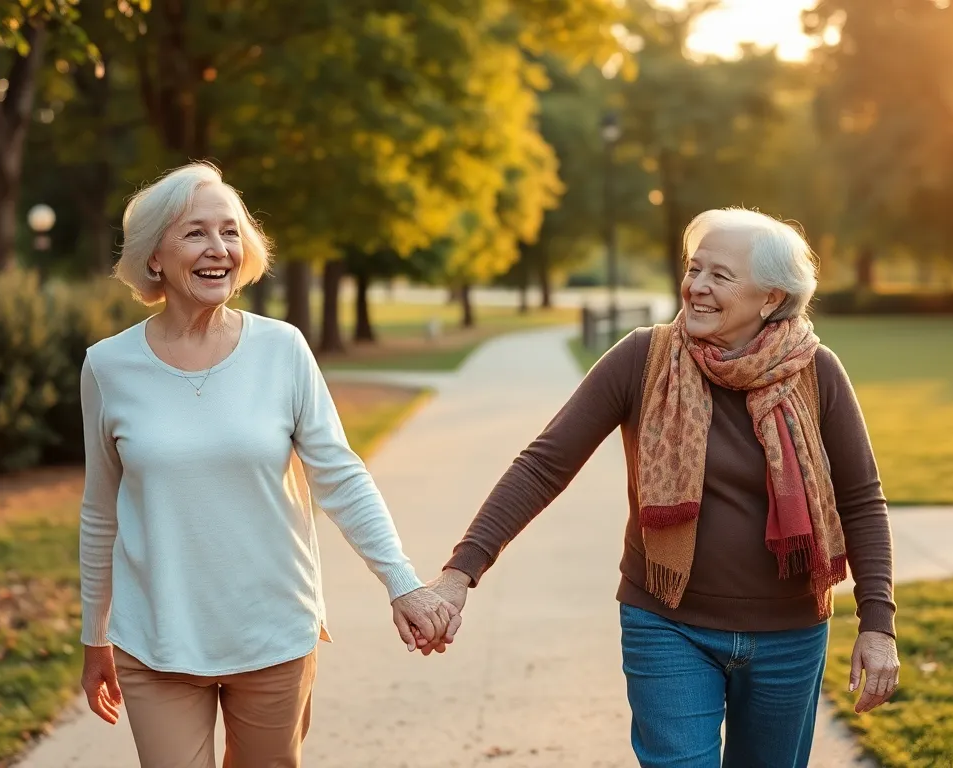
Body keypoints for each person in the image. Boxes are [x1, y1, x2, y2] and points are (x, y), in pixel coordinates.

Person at [423, 208, 899, 767]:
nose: (696, 286)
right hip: (668, 625)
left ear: (770, 298)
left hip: (789, 636)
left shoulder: (816, 372)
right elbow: (543, 465)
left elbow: (862, 502)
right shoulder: (643, 359)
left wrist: (878, 625)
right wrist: (460, 573)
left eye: (719, 276)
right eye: (694, 269)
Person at [77, 161, 458, 767]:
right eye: (195, 232)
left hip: (272, 632)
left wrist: (401, 581)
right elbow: (101, 510)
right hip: (156, 639)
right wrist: (95, 635)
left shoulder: (282, 351)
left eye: (230, 232)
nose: (218, 248)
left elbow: (341, 475)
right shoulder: (108, 366)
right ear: (154, 258)